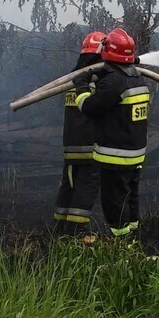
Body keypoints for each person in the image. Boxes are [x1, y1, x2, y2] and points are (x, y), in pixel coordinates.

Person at [73, 28, 150, 237]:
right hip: (135, 154)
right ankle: (133, 238)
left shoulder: (114, 82)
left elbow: (89, 108)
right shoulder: (138, 78)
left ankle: (123, 246)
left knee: (114, 203)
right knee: (130, 198)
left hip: (116, 157)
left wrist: (82, 86)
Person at [54, 31, 105, 236]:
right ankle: (77, 233)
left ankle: (60, 231)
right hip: (90, 148)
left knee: (69, 188)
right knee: (86, 188)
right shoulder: (94, 81)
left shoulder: (73, 79)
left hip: (71, 147)